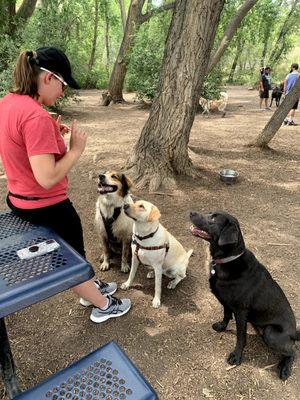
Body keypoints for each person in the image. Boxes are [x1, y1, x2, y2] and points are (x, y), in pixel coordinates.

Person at [0, 47, 131, 323]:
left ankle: (91, 287)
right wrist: (74, 150)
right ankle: (102, 304)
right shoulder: (35, 116)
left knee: (72, 254)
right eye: (63, 84)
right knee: (69, 259)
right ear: (48, 78)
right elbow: (46, 177)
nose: (63, 92)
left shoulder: (8, 103)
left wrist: (50, 134)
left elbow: (20, 147)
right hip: (47, 206)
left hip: (20, 199)